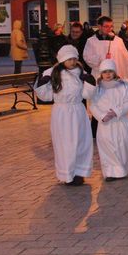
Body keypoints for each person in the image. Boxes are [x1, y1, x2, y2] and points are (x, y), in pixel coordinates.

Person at [34, 45, 96, 186]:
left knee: (81, 142)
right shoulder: (53, 73)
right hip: (61, 113)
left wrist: (90, 82)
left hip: (78, 110)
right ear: (62, 60)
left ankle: (79, 173)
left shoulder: (80, 71)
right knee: (64, 144)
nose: (73, 62)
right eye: (69, 59)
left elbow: (87, 94)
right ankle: (67, 173)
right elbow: (46, 96)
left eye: (74, 58)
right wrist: (43, 83)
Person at [89, 59, 128, 182]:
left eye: (110, 71)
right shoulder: (98, 89)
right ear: (101, 74)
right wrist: (101, 116)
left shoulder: (123, 86)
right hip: (106, 125)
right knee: (108, 147)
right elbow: (93, 105)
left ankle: (123, 168)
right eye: (105, 72)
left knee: (123, 145)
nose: (108, 74)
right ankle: (111, 172)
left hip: (120, 122)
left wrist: (116, 111)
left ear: (114, 72)